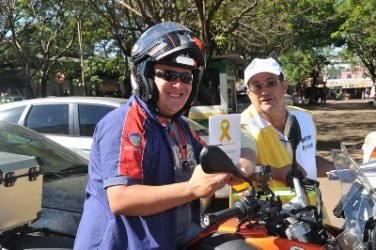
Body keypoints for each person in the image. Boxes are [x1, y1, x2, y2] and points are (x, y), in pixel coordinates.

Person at [74, 22, 232, 250]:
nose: (179, 85)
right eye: (168, 74)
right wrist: (191, 189)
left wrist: (240, 164)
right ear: (145, 77)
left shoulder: (178, 126)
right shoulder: (126, 123)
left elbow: (211, 157)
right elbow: (121, 198)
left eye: (186, 78)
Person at [239, 58, 334, 187]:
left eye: (271, 83)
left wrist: (345, 168)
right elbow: (243, 168)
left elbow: (310, 160)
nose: (264, 91)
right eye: (257, 86)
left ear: (284, 86)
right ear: (249, 94)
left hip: (311, 205)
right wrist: (277, 173)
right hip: (271, 206)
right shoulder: (242, 126)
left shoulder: (304, 117)